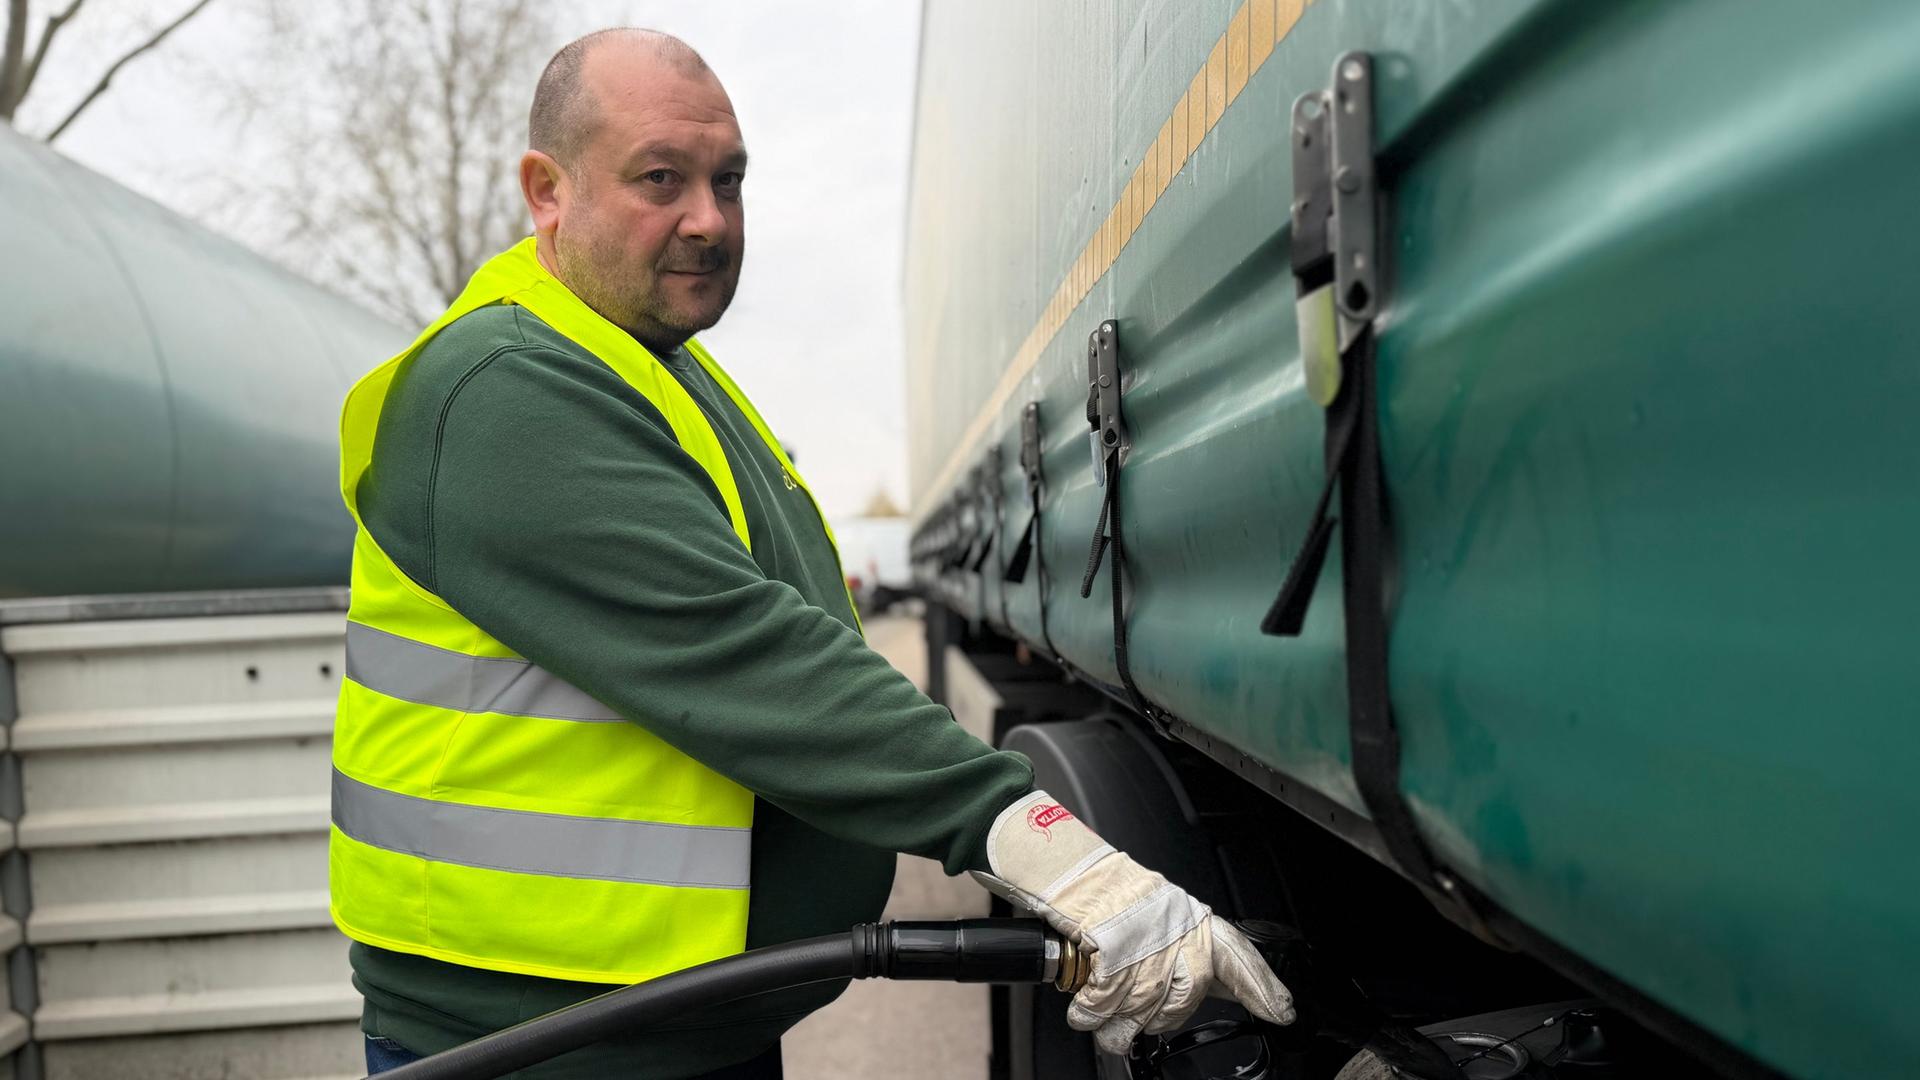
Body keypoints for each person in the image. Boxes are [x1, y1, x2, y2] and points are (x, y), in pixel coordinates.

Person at [330, 28, 1293, 1079]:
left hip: (670, 1021)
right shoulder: (502, 392)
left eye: (728, 181)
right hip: (541, 1045)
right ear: (546, 190)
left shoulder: (658, 373)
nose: (708, 219)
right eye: (662, 178)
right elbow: (752, 658)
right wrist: (1049, 850)